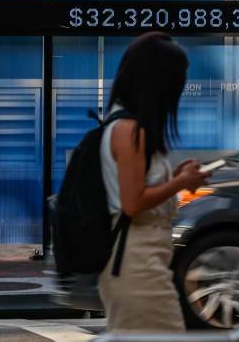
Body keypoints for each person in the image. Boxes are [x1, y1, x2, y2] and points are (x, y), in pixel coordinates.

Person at [98, 32, 211, 332]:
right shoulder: (130, 130)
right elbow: (132, 203)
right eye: (175, 83)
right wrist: (180, 182)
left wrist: (175, 179)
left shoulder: (128, 126)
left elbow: (138, 190)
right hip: (136, 263)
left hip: (145, 260)